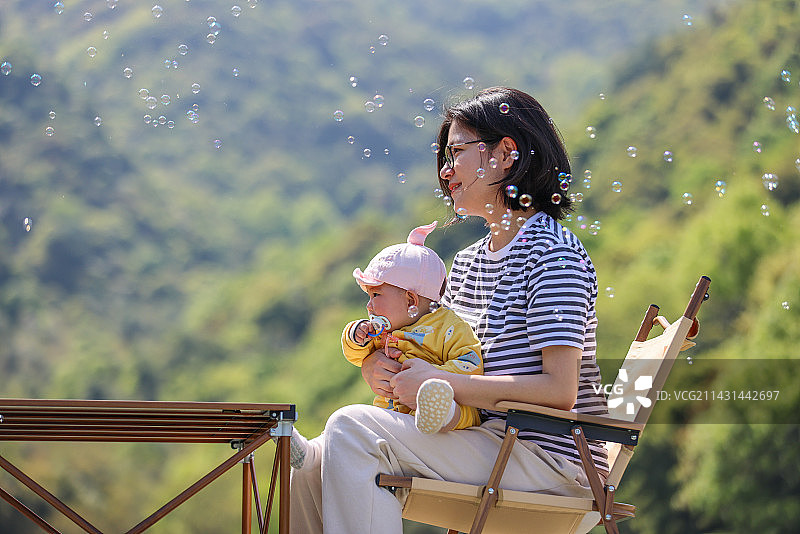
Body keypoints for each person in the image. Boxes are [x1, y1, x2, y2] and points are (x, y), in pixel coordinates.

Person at [289, 86, 609, 534]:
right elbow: (441, 352)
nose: (444, 170)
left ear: (504, 154)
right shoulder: (467, 263)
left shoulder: (553, 255)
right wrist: (384, 370)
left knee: (351, 427)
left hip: (548, 459)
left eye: (456, 152)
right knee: (307, 464)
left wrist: (441, 381)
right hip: (485, 439)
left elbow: (559, 391)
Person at [342, 220, 483, 434]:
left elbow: (471, 363)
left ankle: (435, 412)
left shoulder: (448, 326)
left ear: (410, 301)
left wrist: (432, 378)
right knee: (352, 427)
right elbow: (355, 355)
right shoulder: (382, 332)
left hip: (452, 418)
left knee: (456, 411)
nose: (369, 305)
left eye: (376, 295)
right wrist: (355, 334)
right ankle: (311, 453)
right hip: (395, 417)